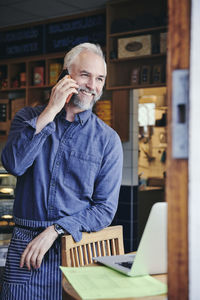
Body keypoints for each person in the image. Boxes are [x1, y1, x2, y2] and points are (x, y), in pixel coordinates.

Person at [1, 43, 123, 300]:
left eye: (100, 78)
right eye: (85, 75)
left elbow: (105, 209)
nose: (93, 85)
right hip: (26, 251)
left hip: (76, 251)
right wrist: (52, 109)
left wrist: (55, 230)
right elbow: (14, 164)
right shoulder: (27, 118)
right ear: (65, 76)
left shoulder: (107, 140)